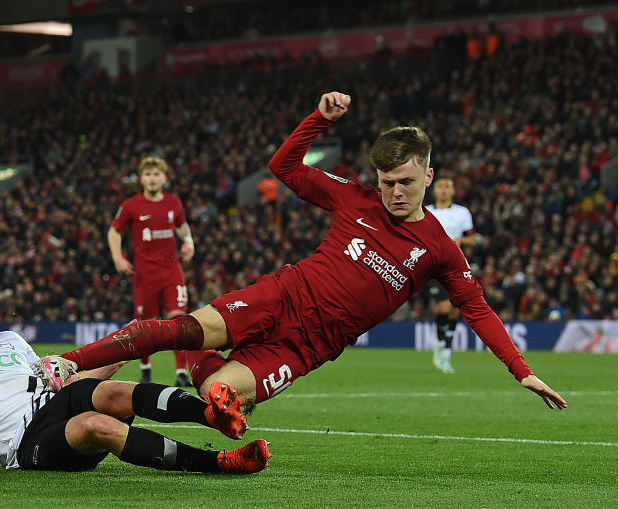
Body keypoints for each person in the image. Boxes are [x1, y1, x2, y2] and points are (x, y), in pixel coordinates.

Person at [37, 91, 567, 413]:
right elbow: (284, 168)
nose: (396, 192)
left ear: (428, 176)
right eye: (387, 181)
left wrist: (520, 369)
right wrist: (319, 119)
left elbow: (475, 307)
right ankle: (66, 365)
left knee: (220, 395)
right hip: (284, 296)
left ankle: (132, 362)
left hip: (311, 346)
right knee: (180, 329)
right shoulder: (354, 197)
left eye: (406, 181)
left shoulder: (439, 249)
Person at [0, 281, 269, 474]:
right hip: (27, 445)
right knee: (95, 423)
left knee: (107, 392)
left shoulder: (8, 341)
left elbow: (64, 384)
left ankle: (211, 416)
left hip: (54, 406)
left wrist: (128, 349)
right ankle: (219, 462)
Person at [108, 156, 195, 386]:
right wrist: (117, 258)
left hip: (171, 271)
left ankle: (181, 373)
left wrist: (189, 242)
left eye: (157, 174)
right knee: (145, 324)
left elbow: (182, 226)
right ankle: (146, 369)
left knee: (180, 320)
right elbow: (114, 232)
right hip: (145, 275)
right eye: (148, 174)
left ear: (164, 177)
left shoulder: (173, 203)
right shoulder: (130, 205)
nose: (152, 178)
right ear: (141, 179)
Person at [423, 177, 480, 374]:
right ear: (434, 189)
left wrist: (462, 240)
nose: (444, 190)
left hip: (456, 266)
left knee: (455, 311)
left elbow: (473, 239)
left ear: (454, 191)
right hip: (433, 268)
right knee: (444, 307)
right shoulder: (426, 212)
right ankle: (440, 345)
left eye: (448, 186)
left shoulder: (462, 213)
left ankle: (445, 353)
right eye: (440, 186)